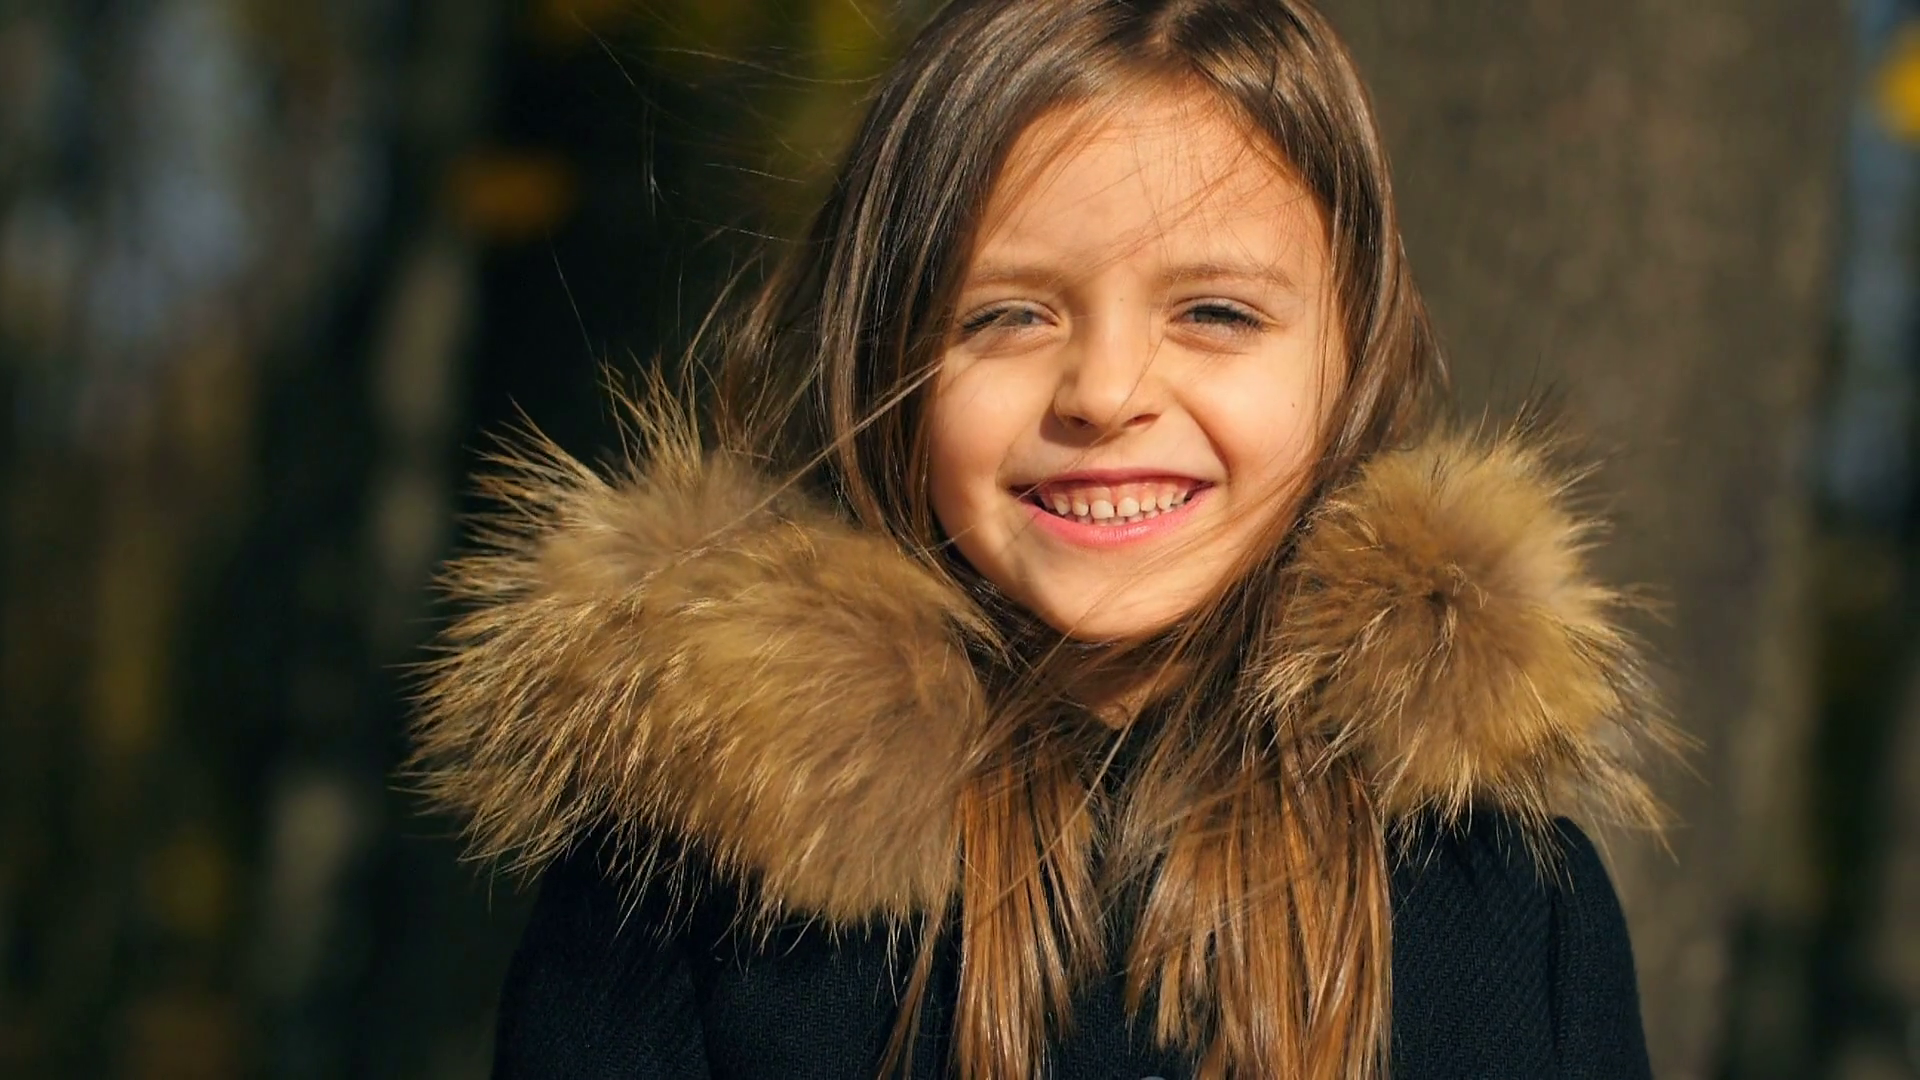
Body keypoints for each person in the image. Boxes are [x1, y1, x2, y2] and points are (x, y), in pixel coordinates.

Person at [411, 0, 1673, 1076]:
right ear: (884, 365)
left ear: (1354, 360)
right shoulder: (696, 893)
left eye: (1217, 312)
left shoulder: (1507, 909)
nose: (1105, 391)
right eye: (1006, 314)